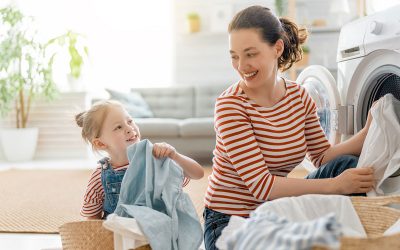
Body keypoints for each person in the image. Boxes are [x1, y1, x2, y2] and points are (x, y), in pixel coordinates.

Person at [203, 5, 375, 250]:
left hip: (276, 209)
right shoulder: (230, 106)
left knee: (346, 165)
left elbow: (321, 156)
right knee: (339, 180)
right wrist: (336, 185)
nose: (241, 65)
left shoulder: (299, 96)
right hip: (229, 219)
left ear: (277, 48)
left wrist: (368, 131)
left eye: (250, 54)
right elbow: (262, 185)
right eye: (234, 56)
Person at [76, 100, 204, 219]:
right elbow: (92, 217)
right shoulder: (99, 176)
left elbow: (198, 174)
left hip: (160, 234)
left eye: (130, 121)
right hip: (121, 239)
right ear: (101, 144)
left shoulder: (157, 158)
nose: (129, 128)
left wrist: (174, 155)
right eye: (118, 127)